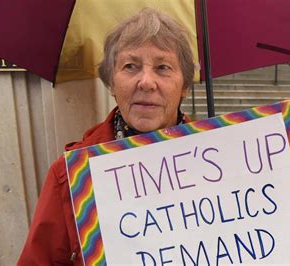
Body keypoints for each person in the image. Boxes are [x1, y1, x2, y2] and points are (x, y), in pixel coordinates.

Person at [18, 8, 194, 265]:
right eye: (130, 66)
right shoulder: (69, 176)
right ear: (111, 83)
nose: (146, 82)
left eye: (163, 67)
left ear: (185, 87)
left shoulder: (223, 164)